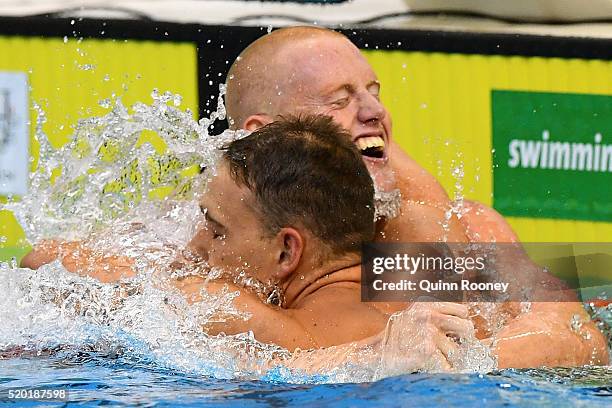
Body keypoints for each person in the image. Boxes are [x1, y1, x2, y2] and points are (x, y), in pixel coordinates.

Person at [216, 26, 608, 367]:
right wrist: (380, 358)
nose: (375, 110)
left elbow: (581, 339)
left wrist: (458, 361)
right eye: (339, 100)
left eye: (374, 92)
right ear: (266, 134)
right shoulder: (222, 240)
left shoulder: (454, 226)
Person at [22, 115, 476, 371]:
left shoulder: (244, 316)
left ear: (287, 252)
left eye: (216, 229)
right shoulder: (424, 282)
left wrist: (173, 271)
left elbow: (42, 259)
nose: (198, 244)